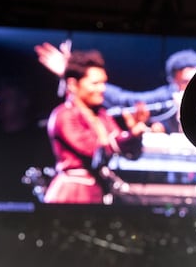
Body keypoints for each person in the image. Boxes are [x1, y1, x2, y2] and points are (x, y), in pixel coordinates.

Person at [35, 42, 196, 136]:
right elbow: (125, 100)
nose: (192, 88)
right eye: (185, 82)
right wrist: (72, 71)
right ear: (174, 82)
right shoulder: (166, 98)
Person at [42, 49, 151, 204]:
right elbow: (94, 149)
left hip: (96, 192)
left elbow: (122, 146)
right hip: (72, 194)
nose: (102, 89)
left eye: (104, 83)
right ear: (73, 84)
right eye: (95, 83)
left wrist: (134, 134)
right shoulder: (64, 115)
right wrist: (128, 136)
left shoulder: (101, 115)